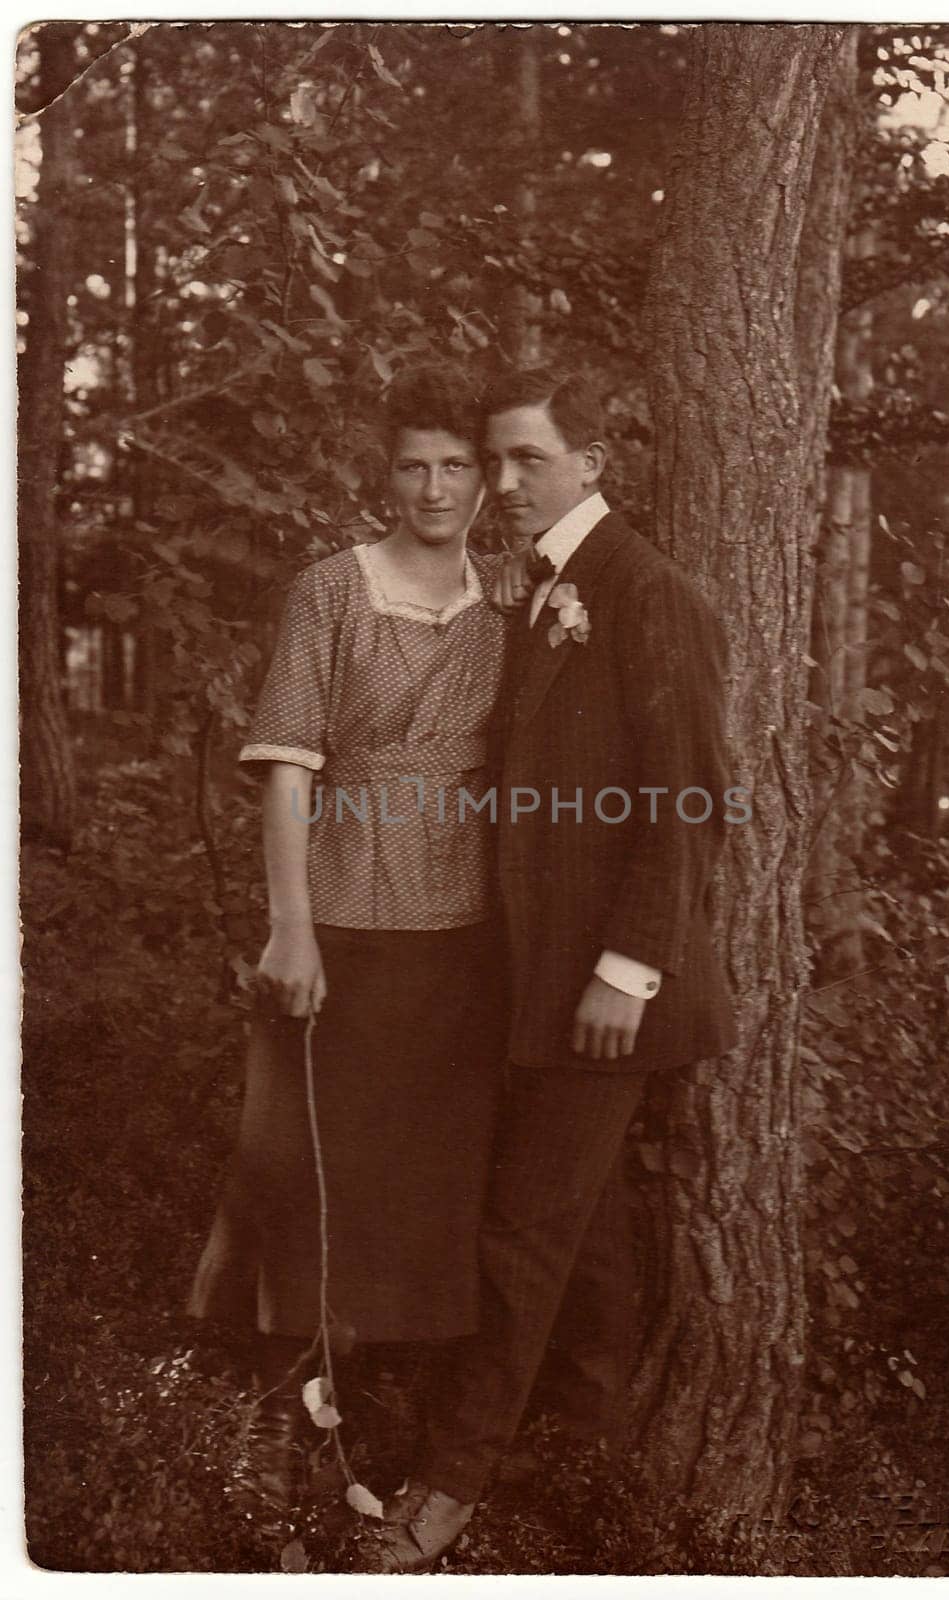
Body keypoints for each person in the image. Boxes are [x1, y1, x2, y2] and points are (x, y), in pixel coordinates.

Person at [372, 367, 737, 1571]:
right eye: (495, 460)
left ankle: (445, 1489)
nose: (505, 484)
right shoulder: (546, 592)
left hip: (612, 991)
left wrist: (625, 971)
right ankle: (590, 1461)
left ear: (593, 463)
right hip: (537, 981)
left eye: (528, 459)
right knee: (579, 1239)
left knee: (522, 1233)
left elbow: (688, 802)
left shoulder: (645, 592)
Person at [187, 363, 508, 1520]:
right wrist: (291, 929)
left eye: (456, 464)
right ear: (383, 475)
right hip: (338, 922)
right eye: (413, 465)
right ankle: (271, 1442)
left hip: (463, 933)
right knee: (306, 1166)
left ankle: (384, 1433)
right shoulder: (331, 589)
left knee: (420, 1185)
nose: (433, 486)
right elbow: (285, 765)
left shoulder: (509, 597)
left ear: (485, 477)